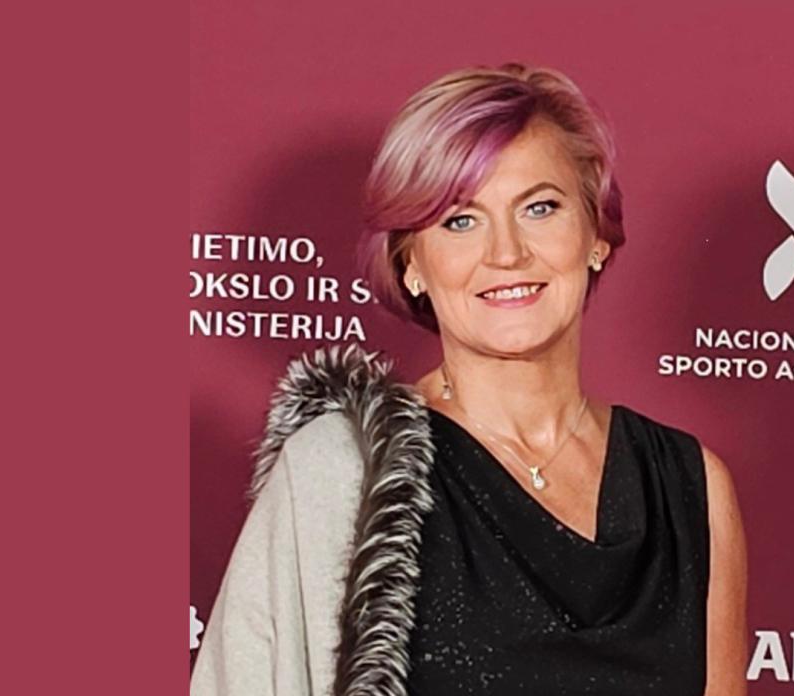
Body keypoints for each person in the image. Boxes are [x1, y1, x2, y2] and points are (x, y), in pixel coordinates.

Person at [191, 63, 747, 696]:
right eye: (460, 220)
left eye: (540, 208)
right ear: (411, 263)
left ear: (594, 233)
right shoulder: (348, 470)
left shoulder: (691, 487)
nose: (506, 252)